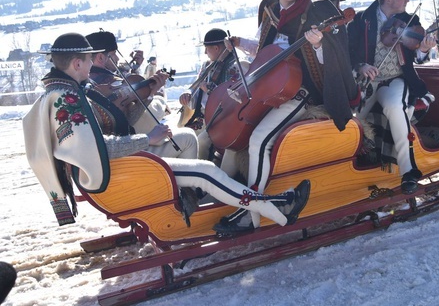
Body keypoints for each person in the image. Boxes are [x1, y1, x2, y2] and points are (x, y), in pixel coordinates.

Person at [22, 33, 310, 232]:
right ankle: (276, 207)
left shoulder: (59, 92)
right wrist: (148, 139)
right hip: (117, 172)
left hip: (115, 168)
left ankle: (227, 203)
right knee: (205, 172)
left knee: (199, 162)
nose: (90, 66)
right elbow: (100, 150)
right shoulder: (67, 99)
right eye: (88, 61)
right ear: (77, 63)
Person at [222, 0, 359, 232]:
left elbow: (335, 61)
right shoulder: (271, 13)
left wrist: (320, 44)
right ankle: (222, 192)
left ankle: (252, 208)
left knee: (259, 140)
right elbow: (264, 51)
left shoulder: (318, 12)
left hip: (303, 92)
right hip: (270, 90)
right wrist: (237, 44)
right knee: (232, 134)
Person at [347, 0, 437, 194]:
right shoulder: (362, 21)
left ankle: (408, 170)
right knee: (352, 119)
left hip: (396, 79)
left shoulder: (410, 21)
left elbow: (417, 57)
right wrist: (361, 66)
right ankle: (350, 167)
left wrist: (424, 48)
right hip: (366, 82)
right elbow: (347, 53)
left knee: (396, 107)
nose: (407, 0)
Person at [85, 30, 198, 160]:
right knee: (189, 138)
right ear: (100, 57)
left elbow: (125, 119)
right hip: (125, 154)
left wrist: (150, 93)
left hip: (126, 147)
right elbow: (129, 121)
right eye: (114, 54)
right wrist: (148, 138)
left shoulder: (91, 84)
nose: (117, 59)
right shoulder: (101, 86)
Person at [179, 28, 247, 161]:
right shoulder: (206, 66)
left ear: (216, 48)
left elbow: (234, 98)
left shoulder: (237, 66)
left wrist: (211, 89)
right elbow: (196, 84)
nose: (205, 52)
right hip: (202, 115)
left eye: (207, 49)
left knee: (201, 142)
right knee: (183, 137)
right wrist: (188, 92)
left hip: (221, 117)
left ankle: (201, 170)